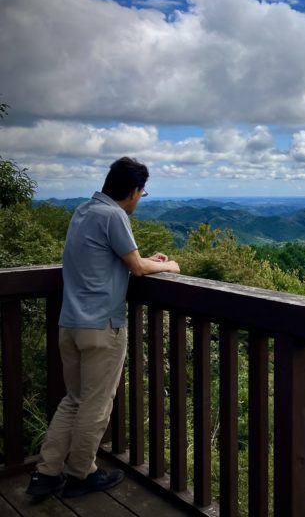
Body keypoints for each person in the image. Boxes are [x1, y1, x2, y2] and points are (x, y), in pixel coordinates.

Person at [26, 157, 180, 498]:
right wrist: (169, 265)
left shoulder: (84, 211)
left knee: (74, 399)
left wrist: (146, 261)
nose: (140, 199)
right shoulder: (114, 215)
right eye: (142, 193)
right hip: (101, 326)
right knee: (96, 406)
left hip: (70, 323)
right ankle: (80, 474)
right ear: (134, 191)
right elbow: (136, 268)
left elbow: (115, 261)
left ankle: (46, 473)